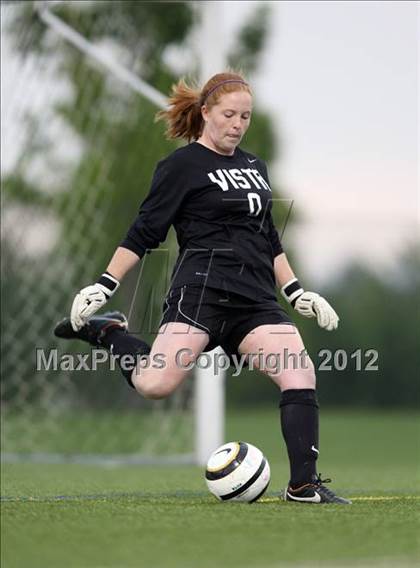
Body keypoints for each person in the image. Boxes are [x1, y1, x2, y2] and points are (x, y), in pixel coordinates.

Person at [54, 71, 351, 505]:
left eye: (245, 116)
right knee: (155, 385)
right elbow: (144, 232)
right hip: (201, 294)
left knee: (300, 373)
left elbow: (268, 238)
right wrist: (105, 283)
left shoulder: (255, 167)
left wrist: (296, 292)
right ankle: (110, 332)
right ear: (206, 112)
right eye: (229, 114)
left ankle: (303, 486)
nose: (237, 124)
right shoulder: (181, 166)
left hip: (255, 300)